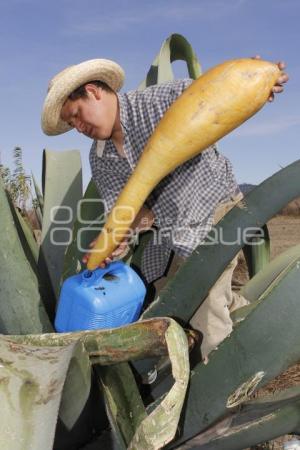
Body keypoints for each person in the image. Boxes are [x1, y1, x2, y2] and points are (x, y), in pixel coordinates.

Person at [41, 57, 288, 358]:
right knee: (180, 303)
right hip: (169, 233)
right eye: (71, 125)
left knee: (204, 302)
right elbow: (138, 214)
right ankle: (269, 331)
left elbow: (223, 95)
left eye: (77, 115)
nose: (78, 128)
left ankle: (226, 392)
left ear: (93, 91)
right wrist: (117, 240)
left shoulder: (164, 100)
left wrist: (259, 82)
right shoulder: (101, 159)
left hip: (214, 210)